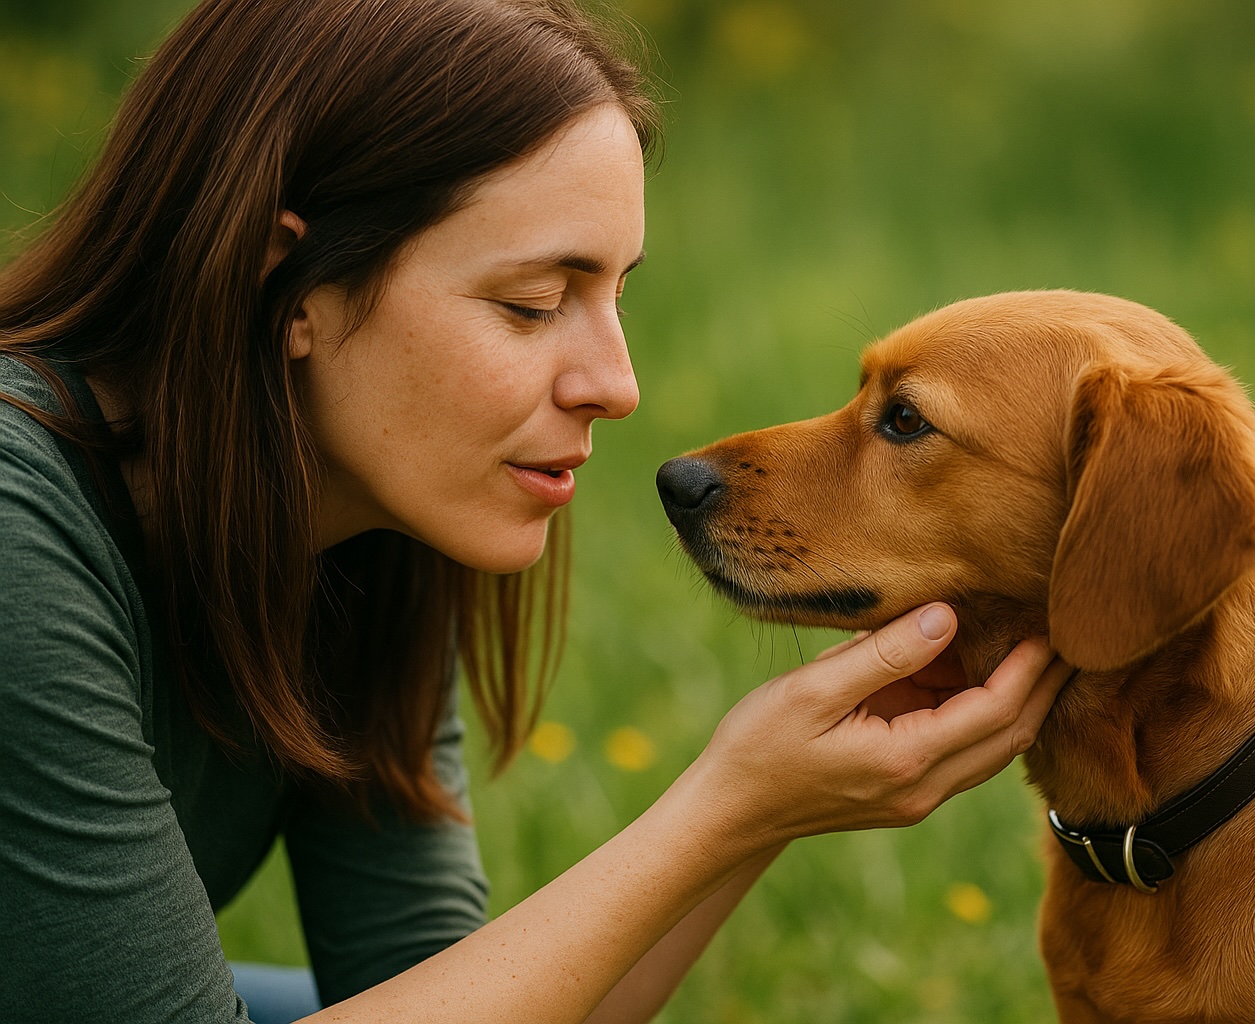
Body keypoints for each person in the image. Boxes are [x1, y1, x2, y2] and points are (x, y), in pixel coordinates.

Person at [0, 1, 1073, 1021]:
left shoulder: (352, 529)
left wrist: (761, 808)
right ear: (290, 286)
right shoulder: (19, 530)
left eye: (615, 294)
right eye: (532, 305)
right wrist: (727, 802)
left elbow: (450, 985)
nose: (617, 382)